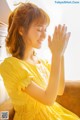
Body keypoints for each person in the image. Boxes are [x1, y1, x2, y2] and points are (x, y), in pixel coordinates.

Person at [0, 2, 80, 120]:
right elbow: (48, 99)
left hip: (55, 114)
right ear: (21, 30)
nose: (44, 35)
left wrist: (60, 54)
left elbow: (59, 90)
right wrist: (56, 55)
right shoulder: (10, 65)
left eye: (45, 30)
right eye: (39, 29)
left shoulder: (41, 62)